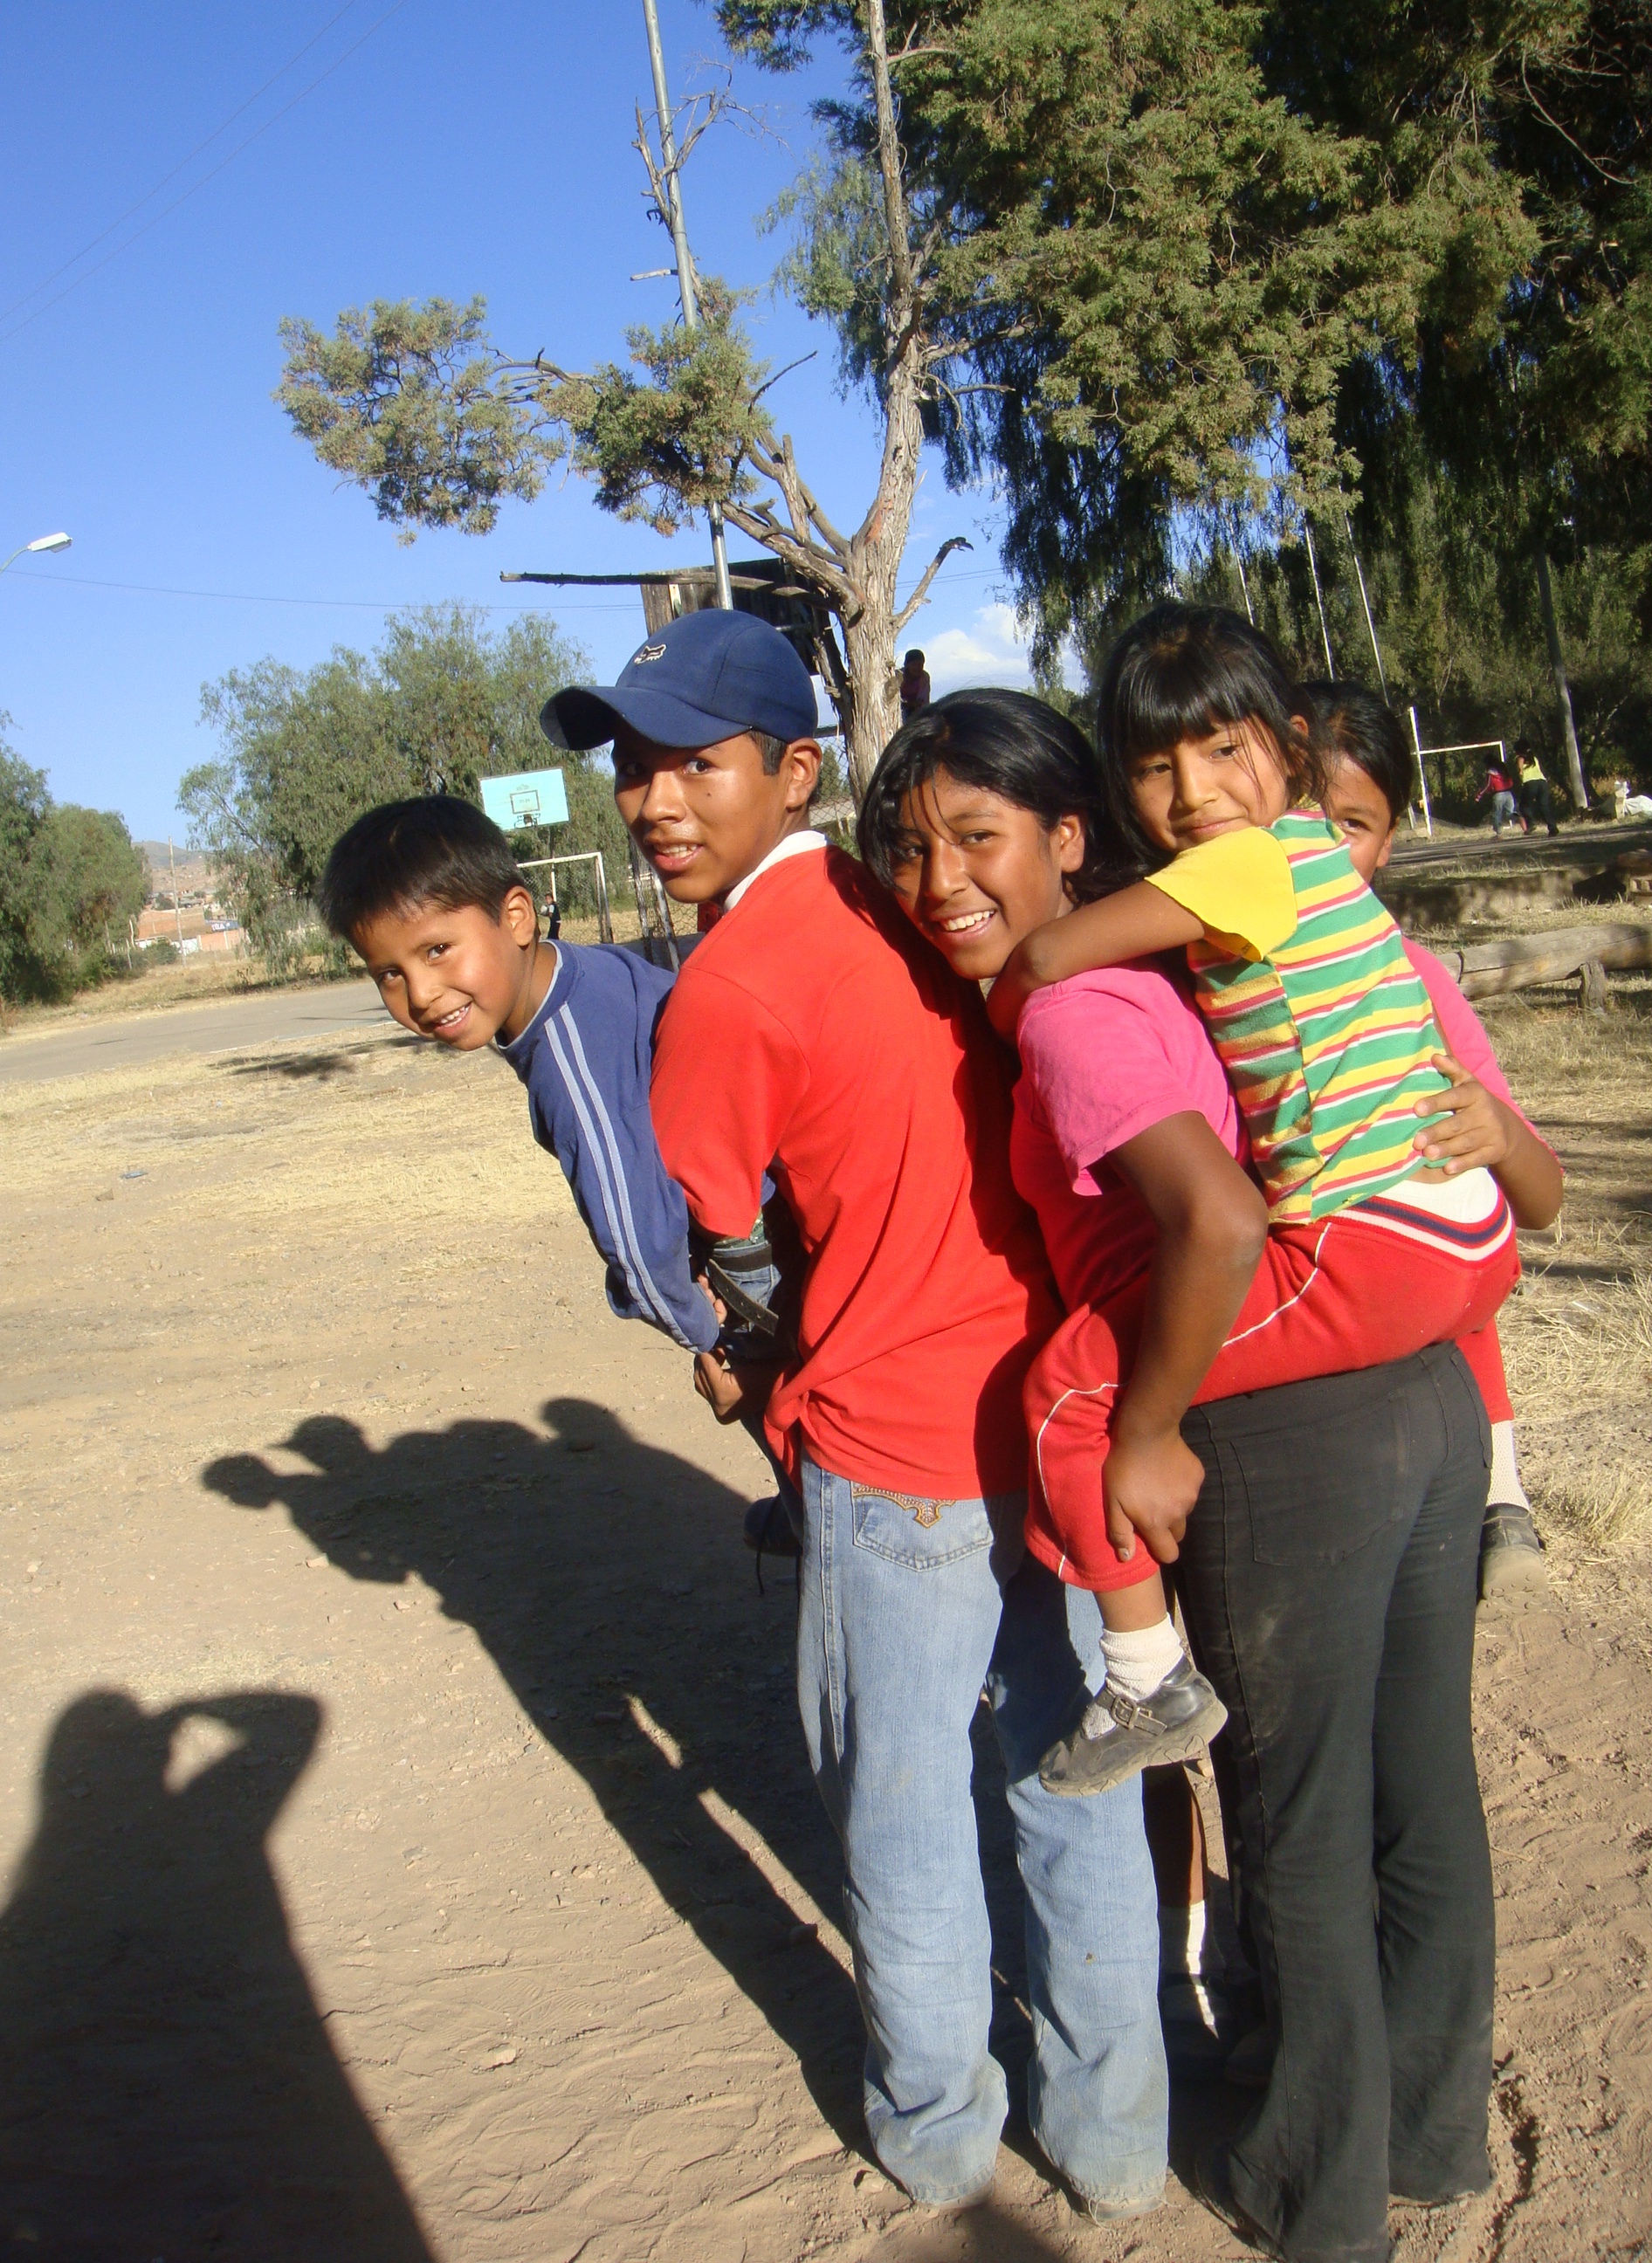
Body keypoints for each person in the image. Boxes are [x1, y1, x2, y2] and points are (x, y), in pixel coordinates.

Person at [858, 671, 1511, 2263]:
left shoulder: (1082, 1002)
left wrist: (1140, 1423)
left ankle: (1312, 2187)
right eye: (906, 848)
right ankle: (1428, 2138)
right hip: (1416, 1378)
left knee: (1290, 1818)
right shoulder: (1207, 949)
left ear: (1070, 837)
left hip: (1287, 1429)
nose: (938, 880)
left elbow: (1211, 1221)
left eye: (977, 836)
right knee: (1415, 1786)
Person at [544, 606, 1170, 2223]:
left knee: (899, 1811)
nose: (652, 798)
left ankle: (940, 2130)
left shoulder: (732, 981)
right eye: (631, 765)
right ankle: (1114, 2141)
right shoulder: (905, 900)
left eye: (694, 761)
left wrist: (757, 1341)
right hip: (1049, 1410)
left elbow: (706, 1228)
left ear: (793, 769)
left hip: (894, 1449)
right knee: (1069, 1767)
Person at [984, 608, 1529, 1788]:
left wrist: (1152, 1428)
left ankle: (1143, 1680)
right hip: (1453, 1220)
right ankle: (1505, 1482)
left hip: (1376, 1237)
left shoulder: (1243, 863)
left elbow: (1046, 958)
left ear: (1282, 747)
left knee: (1067, 1395)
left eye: (1221, 750)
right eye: (1156, 766)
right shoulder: (1313, 864)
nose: (1191, 793)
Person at [315, 794, 802, 1546]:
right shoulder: (589, 974)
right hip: (775, 1204)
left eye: (437, 950)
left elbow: (638, 1239)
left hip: (754, 1245)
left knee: (776, 1407)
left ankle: (820, 1520)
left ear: (515, 917)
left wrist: (713, 1346)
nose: (420, 994)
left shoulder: (567, 1056)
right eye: (387, 972)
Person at [1308, 681, 1562, 1603]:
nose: (1320, 849)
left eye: (1351, 825)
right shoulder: (1198, 969)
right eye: (1299, 815)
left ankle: (1501, 1490)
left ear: (1389, 839)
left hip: (1403, 1274)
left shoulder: (1410, 976)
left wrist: (1492, 1139)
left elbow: (1538, 1197)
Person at [1514, 741, 1560, 835]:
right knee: (1544, 806)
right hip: (1542, 782)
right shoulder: (1534, 758)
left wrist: (1520, 773)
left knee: (1524, 806)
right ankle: (1553, 827)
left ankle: (1531, 823)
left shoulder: (1519, 758)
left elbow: (1520, 768)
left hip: (1530, 782)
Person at [1475, 758, 1523, 837]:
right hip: (1508, 792)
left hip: (1498, 794)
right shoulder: (1504, 769)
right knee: (1510, 813)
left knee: (1497, 814)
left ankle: (1499, 833)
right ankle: (1520, 820)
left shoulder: (1491, 772)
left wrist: (1479, 796)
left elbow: (1488, 785)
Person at [899, 647, 932, 720]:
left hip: (916, 709)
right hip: (899, 708)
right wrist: (908, 704)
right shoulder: (898, 675)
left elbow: (924, 700)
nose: (917, 668)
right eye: (914, 665)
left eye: (920, 664)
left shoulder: (924, 678)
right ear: (907, 665)